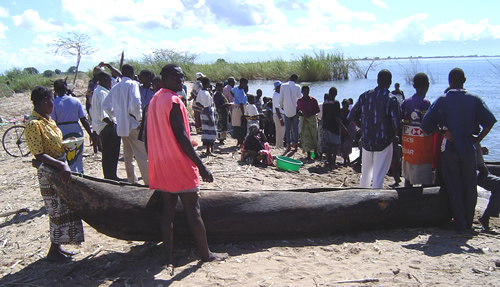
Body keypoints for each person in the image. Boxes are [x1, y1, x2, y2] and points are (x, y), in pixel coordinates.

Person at [147, 64, 227, 272]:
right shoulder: (173, 101)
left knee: (168, 211)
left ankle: (169, 258)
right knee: (193, 209)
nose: (180, 80)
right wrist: (201, 166)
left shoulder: (155, 99)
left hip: (162, 163)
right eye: (175, 77)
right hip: (178, 163)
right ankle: (205, 254)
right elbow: (181, 137)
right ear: (164, 78)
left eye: (182, 77)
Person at [421, 67, 496, 231]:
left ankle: (459, 222)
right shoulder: (475, 99)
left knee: (454, 186)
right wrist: (478, 139)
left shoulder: (443, 99)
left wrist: (442, 132)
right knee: (469, 186)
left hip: (450, 148)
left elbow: (426, 123)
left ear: (450, 81)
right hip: (469, 147)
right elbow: (490, 121)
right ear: (464, 80)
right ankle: (468, 222)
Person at [25, 86, 84, 261]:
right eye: (51, 99)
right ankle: (53, 252)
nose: (53, 103)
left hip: (58, 167)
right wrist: (61, 166)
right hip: (50, 172)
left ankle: (56, 248)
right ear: (44, 101)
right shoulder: (34, 124)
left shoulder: (47, 120)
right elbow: (39, 154)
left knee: (62, 208)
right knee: (55, 210)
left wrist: (66, 145)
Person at [348, 69, 401, 189]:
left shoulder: (365, 95)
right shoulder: (391, 99)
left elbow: (352, 116)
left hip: (367, 140)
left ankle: (362, 196)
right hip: (384, 141)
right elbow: (396, 125)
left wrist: (363, 128)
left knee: (365, 173)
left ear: (377, 81)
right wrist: (393, 136)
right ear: (390, 82)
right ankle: (375, 200)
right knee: (378, 175)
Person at [103, 64, 149, 185]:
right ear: (132, 73)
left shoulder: (116, 86)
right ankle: (149, 182)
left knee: (128, 156)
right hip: (133, 125)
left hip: (122, 126)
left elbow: (105, 105)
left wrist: (117, 115)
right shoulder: (133, 84)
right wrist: (139, 118)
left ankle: (132, 180)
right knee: (142, 155)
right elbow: (135, 102)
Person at [51, 79, 93, 173]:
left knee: (66, 158)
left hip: (61, 132)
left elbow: (53, 121)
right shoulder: (75, 101)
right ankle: (80, 176)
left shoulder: (53, 104)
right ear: (66, 88)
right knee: (77, 157)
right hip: (76, 130)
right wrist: (90, 134)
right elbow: (83, 119)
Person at [401, 73, 433, 187]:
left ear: (413, 86)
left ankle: (407, 199)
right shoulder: (425, 103)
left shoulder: (406, 101)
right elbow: (427, 124)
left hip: (408, 148)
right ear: (427, 85)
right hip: (422, 149)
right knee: (425, 180)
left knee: (408, 178)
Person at [90, 71, 122, 181]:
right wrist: (112, 123)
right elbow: (103, 114)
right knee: (110, 152)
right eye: (109, 80)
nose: (110, 83)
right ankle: (110, 176)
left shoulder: (99, 91)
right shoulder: (101, 93)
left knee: (110, 152)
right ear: (104, 79)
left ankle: (111, 175)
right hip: (107, 126)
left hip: (104, 126)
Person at [476, 144, 500, 232]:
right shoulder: (463, 139)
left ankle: (486, 217)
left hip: (481, 170)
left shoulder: (472, 140)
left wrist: (479, 151)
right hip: (475, 172)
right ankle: (485, 217)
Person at [323, 87, 347, 167]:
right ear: (336, 94)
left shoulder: (325, 102)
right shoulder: (336, 103)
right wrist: (343, 127)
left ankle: (329, 159)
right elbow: (336, 117)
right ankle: (333, 161)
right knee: (336, 144)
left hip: (326, 125)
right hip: (333, 126)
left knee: (329, 144)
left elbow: (324, 115)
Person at [296, 86, 320, 159]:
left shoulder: (313, 100)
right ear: (302, 92)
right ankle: (308, 154)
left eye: (307, 91)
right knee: (306, 136)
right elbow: (297, 110)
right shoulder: (299, 101)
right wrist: (300, 113)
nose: (306, 93)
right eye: (305, 91)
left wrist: (310, 114)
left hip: (312, 119)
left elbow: (317, 110)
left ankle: (316, 152)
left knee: (314, 135)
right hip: (304, 119)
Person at [279, 74, 302, 151]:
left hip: (286, 110)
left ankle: (288, 144)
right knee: (295, 128)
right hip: (295, 110)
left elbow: (281, 98)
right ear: (295, 79)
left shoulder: (283, 85)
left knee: (287, 128)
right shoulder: (298, 87)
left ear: (289, 78)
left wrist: (282, 106)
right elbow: (300, 99)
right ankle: (295, 144)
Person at [198, 77, 217, 156]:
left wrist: (202, 107)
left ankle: (210, 149)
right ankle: (209, 150)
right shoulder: (205, 94)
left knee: (207, 131)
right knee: (210, 131)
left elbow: (197, 103)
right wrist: (210, 119)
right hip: (207, 113)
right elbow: (206, 107)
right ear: (207, 83)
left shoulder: (201, 92)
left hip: (204, 112)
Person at [231, 78, 248, 147]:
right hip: (240, 109)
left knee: (236, 124)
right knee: (241, 124)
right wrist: (243, 114)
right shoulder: (241, 92)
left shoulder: (235, 89)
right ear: (242, 83)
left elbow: (231, 92)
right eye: (245, 84)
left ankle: (238, 140)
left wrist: (235, 97)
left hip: (235, 108)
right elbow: (241, 103)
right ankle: (241, 141)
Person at [339, 99, 356, 166]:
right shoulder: (340, 111)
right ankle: (345, 159)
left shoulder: (350, 112)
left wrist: (347, 131)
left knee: (347, 145)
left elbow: (351, 122)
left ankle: (347, 159)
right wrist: (342, 129)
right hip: (341, 129)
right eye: (344, 105)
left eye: (346, 105)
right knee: (342, 145)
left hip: (348, 130)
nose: (345, 107)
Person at [272, 81, 285, 148]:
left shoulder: (277, 94)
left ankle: (279, 145)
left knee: (280, 132)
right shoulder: (276, 95)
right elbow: (277, 108)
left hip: (279, 114)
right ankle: (279, 146)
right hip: (278, 115)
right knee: (280, 132)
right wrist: (280, 119)